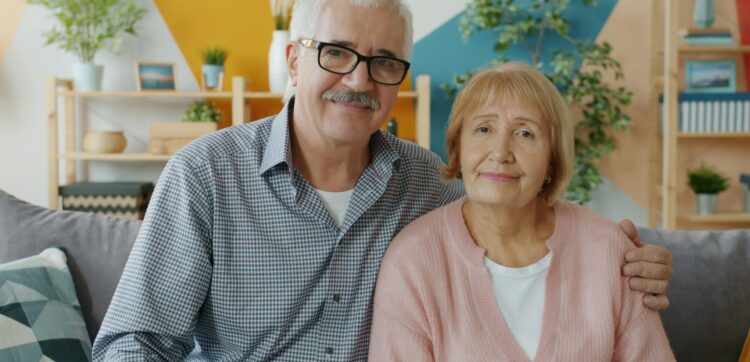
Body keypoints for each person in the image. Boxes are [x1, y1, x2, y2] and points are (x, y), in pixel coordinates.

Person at [92, 1, 673, 360]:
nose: (359, 80)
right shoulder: (206, 177)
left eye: (384, 62)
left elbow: (508, 203)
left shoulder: (422, 181)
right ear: (294, 60)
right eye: (337, 53)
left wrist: (623, 256)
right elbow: (131, 344)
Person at [368, 62, 675, 361]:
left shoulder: (608, 251)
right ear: (458, 147)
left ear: (553, 159)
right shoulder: (413, 261)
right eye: (484, 128)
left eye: (525, 133)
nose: (501, 152)